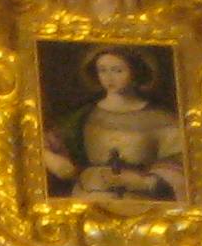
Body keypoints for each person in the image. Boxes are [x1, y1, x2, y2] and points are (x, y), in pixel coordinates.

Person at [45, 46, 185, 204]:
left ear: (135, 72)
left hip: (140, 203)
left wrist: (145, 182)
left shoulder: (162, 119)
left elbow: (181, 165)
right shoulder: (82, 117)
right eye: (102, 70)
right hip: (88, 199)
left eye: (117, 71)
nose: (109, 78)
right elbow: (52, 150)